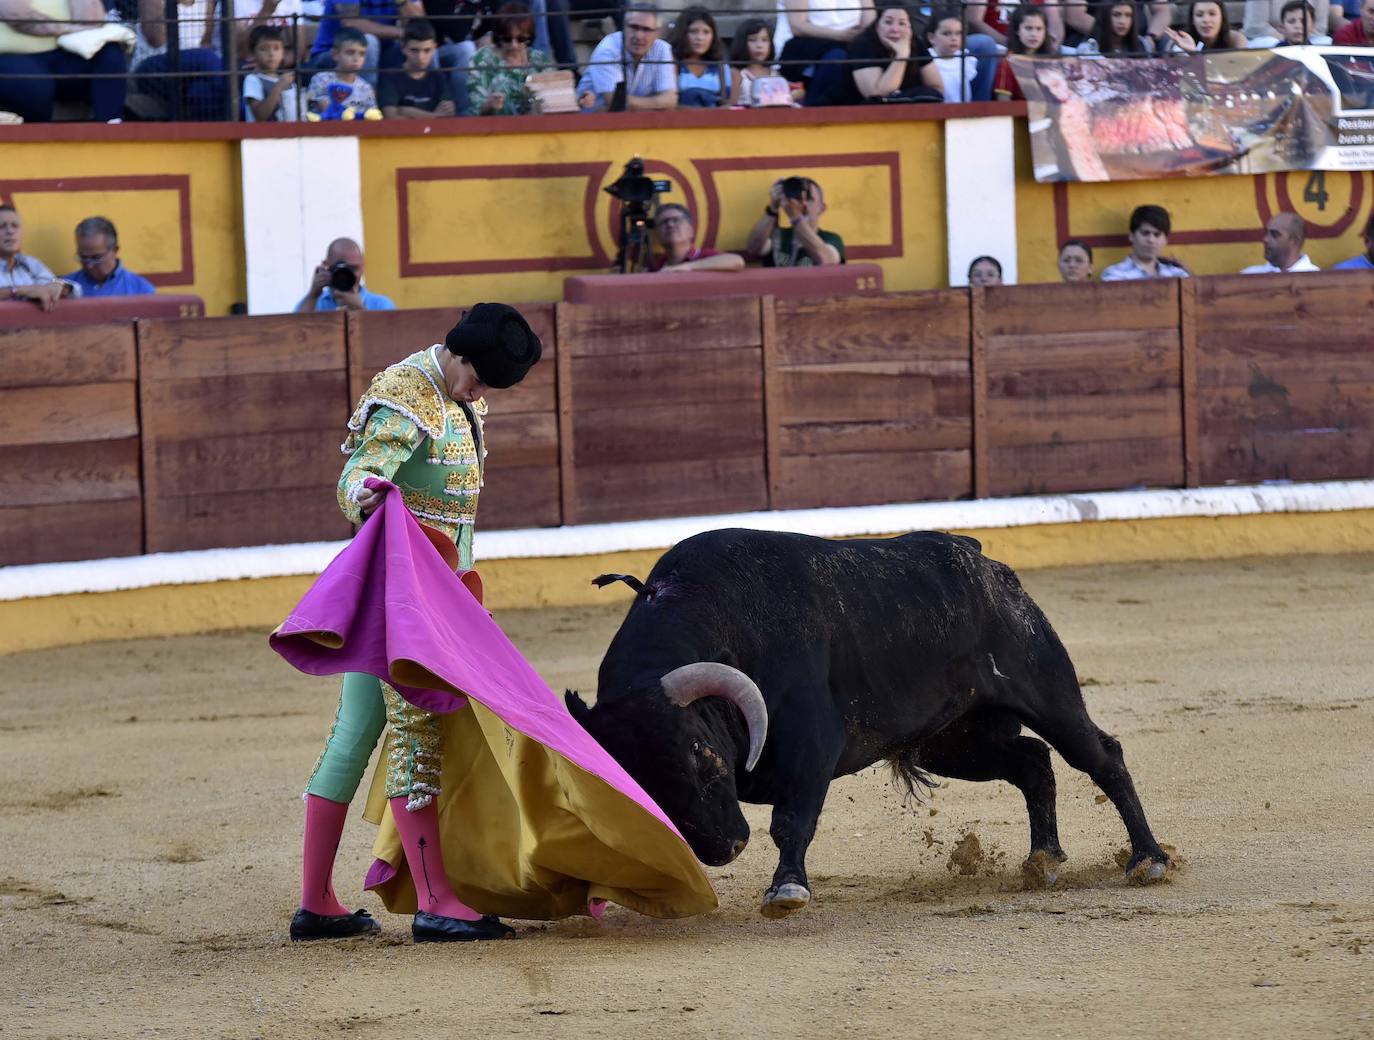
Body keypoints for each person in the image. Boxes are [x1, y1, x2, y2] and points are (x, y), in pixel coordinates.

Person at [292, 304, 542, 943]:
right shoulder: (406, 393)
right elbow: (354, 479)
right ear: (457, 354)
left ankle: (317, 902)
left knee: (355, 733)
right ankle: (435, 899)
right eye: (479, 379)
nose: (482, 394)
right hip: (403, 601)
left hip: (438, 594)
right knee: (416, 731)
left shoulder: (461, 399)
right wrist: (369, 491)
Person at [0, 0, 128, 123]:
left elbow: (91, 22)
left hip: (64, 54)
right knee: (33, 81)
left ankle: (112, 125)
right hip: (10, 58)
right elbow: (19, 17)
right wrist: (70, 28)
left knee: (109, 54)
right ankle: (39, 137)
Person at [826, 3, 940, 106]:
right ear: (877, 25)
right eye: (888, 22)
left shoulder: (915, 42)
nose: (895, 29)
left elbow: (937, 88)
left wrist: (903, 96)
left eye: (902, 23)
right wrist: (901, 56)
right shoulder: (863, 44)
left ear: (909, 28)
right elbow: (876, 96)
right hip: (856, 115)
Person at [133, 0, 228, 121]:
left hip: (194, 68)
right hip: (152, 64)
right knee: (208, 57)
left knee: (200, 91)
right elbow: (157, 38)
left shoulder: (207, 2)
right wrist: (170, 5)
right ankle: (241, 114)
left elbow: (206, 42)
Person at [576, 3, 676, 112]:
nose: (638, 36)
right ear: (624, 27)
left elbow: (670, 101)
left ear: (657, 33)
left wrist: (632, 104)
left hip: (638, 122)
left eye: (646, 29)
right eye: (634, 27)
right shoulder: (608, 49)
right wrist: (656, 103)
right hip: (593, 123)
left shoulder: (663, 49)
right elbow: (615, 103)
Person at [773, 0, 876, 102]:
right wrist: (840, 36)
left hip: (850, 45)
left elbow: (870, 24)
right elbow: (797, 26)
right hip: (807, 46)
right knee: (837, 57)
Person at [309, 0, 424, 84]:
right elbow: (352, 23)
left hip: (383, 53)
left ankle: (428, 105)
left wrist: (402, 2)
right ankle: (368, 104)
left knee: (421, 44)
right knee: (368, 42)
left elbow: (419, 26)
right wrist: (403, 33)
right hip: (332, 54)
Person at [466, 2, 549, 115]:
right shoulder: (481, 60)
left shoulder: (539, 60)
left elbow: (553, 101)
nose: (514, 45)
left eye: (520, 39)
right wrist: (489, 105)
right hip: (495, 129)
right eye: (507, 38)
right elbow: (474, 110)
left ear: (529, 36)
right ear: (498, 35)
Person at [746, 176, 845, 267]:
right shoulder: (780, 236)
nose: (804, 204)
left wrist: (795, 217)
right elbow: (753, 248)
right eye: (799, 199)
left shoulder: (831, 239)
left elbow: (826, 259)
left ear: (822, 208)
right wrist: (773, 209)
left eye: (809, 199)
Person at [0, 204, 78, 309]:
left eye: (15, 226)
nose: (10, 231)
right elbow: (27, 290)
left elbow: (72, 288)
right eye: (2, 226)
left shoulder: (29, 263)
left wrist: (60, 285)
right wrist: (20, 290)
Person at [379, 18, 456, 116]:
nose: (420, 57)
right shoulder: (390, 76)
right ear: (403, 48)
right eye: (414, 50)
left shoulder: (439, 77)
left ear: (434, 49)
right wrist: (433, 116)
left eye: (427, 50)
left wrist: (407, 111)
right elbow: (391, 116)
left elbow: (448, 113)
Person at [62, 217, 155, 297]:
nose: (89, 265)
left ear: (115, 250)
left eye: (96, 258)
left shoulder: (140, 289)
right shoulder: (64, 288)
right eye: (83, 258)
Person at [296, 237, 396, 311]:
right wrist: (313, 294)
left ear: (363, 267)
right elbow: (296, 332)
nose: (346, 274)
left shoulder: (381, 305)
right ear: (326, 266)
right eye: (340, 269)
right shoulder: (314, 303)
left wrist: (359, 309)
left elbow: (386, 337)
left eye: (353, 268)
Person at [667, 6, 735, 108]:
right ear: (682, 33)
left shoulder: (720, 66)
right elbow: (670, 104)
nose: (700, 38)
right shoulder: (672, 62)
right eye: (693, 31)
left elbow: (727, 103)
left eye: (706, 32)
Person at [306, 26, 381, 118]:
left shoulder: (366, 88)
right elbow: (325, 108)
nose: (356, 59)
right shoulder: (321, 79)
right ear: (335, 54)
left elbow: (373, 117)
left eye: (362, 54)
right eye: (350, 52)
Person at [1100, 205, 1190, 280]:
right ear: (1131, 236)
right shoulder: (1114, 274)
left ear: (1165, 239)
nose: (1151, 240)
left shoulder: (1178, 274)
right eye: (1145, 233)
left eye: (1157, 235)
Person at [648, 204, 744, 272]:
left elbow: (736, 261)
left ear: (691, 231)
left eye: (676, 220)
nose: (670, 225)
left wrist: (688, 267)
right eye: (664, 222)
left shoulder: (701, 255)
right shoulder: (657, 264)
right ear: (657, 234)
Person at [993, 5, 1055, 102]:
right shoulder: (1008, 63)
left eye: (1039, 29)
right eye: (1028, 28)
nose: (1034, 34)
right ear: (1017, 30)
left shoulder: (1052, 62)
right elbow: (1003, 101)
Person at [243, 24, 301, 121]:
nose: (271, 54)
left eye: (276, 48)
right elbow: (260, 117)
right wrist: (278, 88)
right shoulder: (252, 80)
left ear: (283, 53)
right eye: (264, 49)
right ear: (253, 53)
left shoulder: (288, 81)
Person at [1241, 212, 1320, 273]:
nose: (1266, 239)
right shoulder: (1249, 275)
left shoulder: (1318, 281)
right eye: (1266, 233)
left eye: (1275, 234)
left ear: (1295, 241)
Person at [928, 6, 976, 103]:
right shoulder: (928, 58)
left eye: (958, 33)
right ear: (931, 37)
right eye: (947, 33)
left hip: (963, 111)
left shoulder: (966, 58)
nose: (954, 38)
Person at [1162, 0, 1249, 51]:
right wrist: (1192, 53)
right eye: (1199, 15)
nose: (1206, 20)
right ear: (1193, 20)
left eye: (1212, 14)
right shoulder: (1180, 42)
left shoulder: (1236, 40)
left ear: (1222, 17)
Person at [1243, 0, 1339, 44]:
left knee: (1326, 41)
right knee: (1271, 43)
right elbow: (1256, 26)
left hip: (1308, 38)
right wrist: (1288, 38)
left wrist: (1300, 38)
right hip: (1269, 39)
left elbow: (1320, 27)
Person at [730, 17, 777, 105]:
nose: (759, 45)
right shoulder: (737, 74)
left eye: (764, 40)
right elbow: (732, 106)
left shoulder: (775, 74)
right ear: (742, 42)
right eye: (753, 40)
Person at [1077, 1, 1154, 54]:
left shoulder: (1142, 46)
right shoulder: (1088, 48)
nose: (1122, 21)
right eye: (1116, 15)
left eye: (1128, 15)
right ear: (1105, 17)